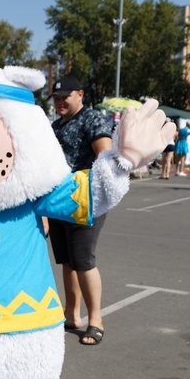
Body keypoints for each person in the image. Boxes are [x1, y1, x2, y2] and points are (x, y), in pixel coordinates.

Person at [46, 75, 114, 346]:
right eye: (57, 97)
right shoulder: (55, 125)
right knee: (67, 261)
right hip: (59, 200)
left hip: (87, 200)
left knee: (84, 260)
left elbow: (105, 157)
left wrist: (95, 191)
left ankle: (95, 319)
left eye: (66, 96)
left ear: (80, 95)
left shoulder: (93, 119)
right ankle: (71, 314)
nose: (61, 101)